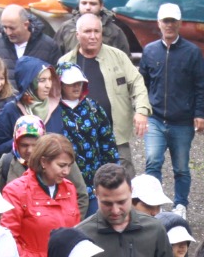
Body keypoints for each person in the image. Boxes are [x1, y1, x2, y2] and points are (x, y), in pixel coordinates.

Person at [138, 3, 204, 214]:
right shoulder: (149, 51)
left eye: (173, 21)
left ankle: (180, 205)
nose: (169, 25)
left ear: (180, 23)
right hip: (155, 118)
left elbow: (201, 84)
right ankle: (152, 205)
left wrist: (199, 113)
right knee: (152, 162)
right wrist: (140, 110)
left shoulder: (192, 52)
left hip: (182, 120)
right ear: (158, 24)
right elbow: (142, 83)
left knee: (181, 167)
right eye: (165, 21)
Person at [60, 11, 149, 174]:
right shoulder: (65, 62)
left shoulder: (118, 57)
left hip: (115, 135)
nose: (93, 36)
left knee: (124, 178)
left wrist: (142, 111)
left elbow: (137, 82)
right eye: (88, 32)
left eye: (97, 31)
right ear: (77, 34)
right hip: (79, 137)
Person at [76, 164, 180, 257]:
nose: (115, 210)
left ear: (131, 191)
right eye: (107, 203)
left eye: (121, 202)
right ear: (96, 195)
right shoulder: (82, 235)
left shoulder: (154, 229)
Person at [2, 133, 81, 257]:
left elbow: (76, 233)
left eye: (69, 166)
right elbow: (8, 241)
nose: (66, 171)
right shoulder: (16, 191)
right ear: (44, 162)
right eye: (61, 165)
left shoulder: (69, 188)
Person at [47, 64, 118, 202]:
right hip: (62, 181)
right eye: (71, 84)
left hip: (93, 182)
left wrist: (111, 174)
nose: (76, 87)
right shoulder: (52, 109)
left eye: (79, 83)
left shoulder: (93, 108)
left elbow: (107, 142)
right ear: (60, 84)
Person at [0, 57, 54, 162]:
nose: (48, 85)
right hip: (19, 174)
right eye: (42, 80)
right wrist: (19, 142)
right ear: (29, 82)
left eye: (50, 79)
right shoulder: (12, 109)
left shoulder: (55, 108)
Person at [56, 0, 131, 53]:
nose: (88, 7)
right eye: (84, 3)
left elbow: (125, 62)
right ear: (78, 4)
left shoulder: (115, 31)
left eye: (93, 4)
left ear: (101, 6)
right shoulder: (66, 28)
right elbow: (55, 59)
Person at [0, 4, 62, 68]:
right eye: (5, 27)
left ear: (26, 25)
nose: (8, 32)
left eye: (12, 28)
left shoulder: (48, 46)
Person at [0, 116, 43, 190]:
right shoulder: (6, 162)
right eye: (24, 145)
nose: (29, 150)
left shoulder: (50, 164)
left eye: (35, 145)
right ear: (16, 144)